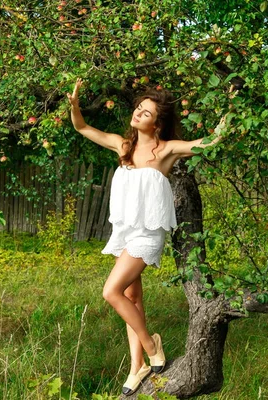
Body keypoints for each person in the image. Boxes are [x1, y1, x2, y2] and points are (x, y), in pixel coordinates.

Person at [66, 78, 228, 396]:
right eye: (138, 108)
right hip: (123, 233)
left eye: (146, 112)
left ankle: (152, 345)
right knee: (132, 299)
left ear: (158, 122)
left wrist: (231, 111)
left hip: (147, 235)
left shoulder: (165, 150)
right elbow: (83, 128)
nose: (138, 113)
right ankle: (136, 366)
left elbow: (209, 142)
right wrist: (74, 107)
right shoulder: (122, 146)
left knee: (111, 292)